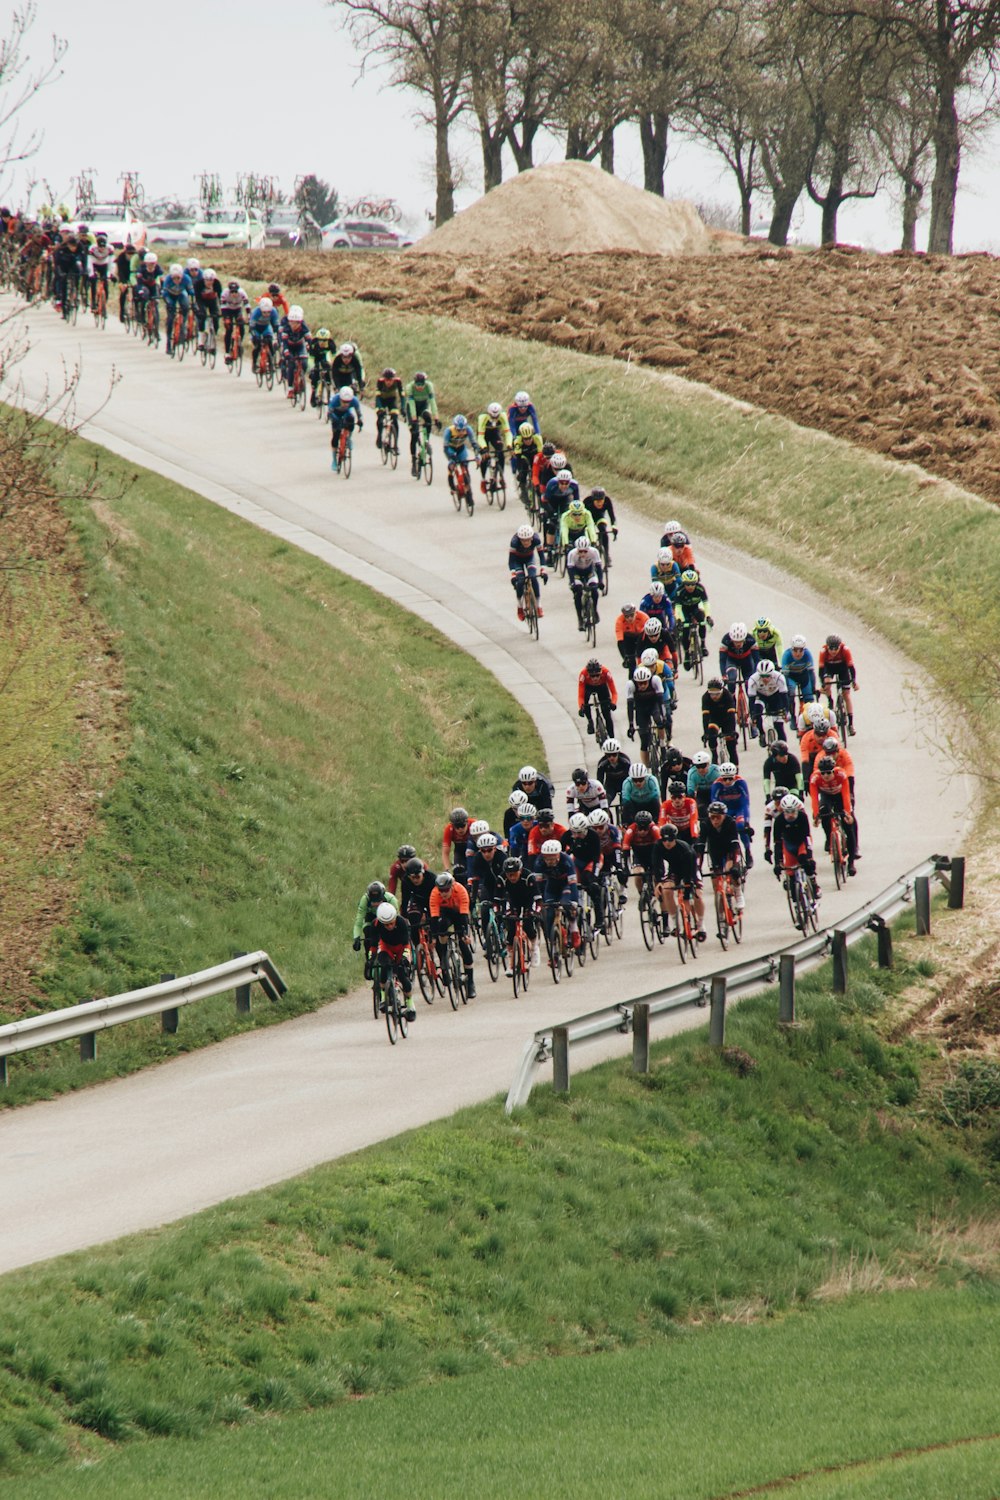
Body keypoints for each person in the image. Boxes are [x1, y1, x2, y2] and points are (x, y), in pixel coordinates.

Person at [809, 755, 860, 874]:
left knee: (849, 827)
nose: (826, 776)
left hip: (840, 796)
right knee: (824, 812)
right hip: (826, 797)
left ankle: (851, 862)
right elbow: (814, 798)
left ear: (834, 770)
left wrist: (847, 813)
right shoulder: (815, 778)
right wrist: (816, 815)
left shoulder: (841, 774)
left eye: (828, 772)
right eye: (823, 773)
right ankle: (829, 838)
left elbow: (847, 795)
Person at [429, 870, 476, 997]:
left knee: (464, 946)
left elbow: (464, 915)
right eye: (441, 890)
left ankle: (470, 982)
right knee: (441, 926)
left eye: (446, 890)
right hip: (445, 914)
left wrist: (465, 934)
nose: (443, 893)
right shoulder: (435, 893)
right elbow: (434, 917)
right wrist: (434, 937)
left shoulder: (460, 890)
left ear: (452, 886)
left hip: (459, 914)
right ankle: (444, 957)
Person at [659, 822, 707, 940]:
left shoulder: (685, 849)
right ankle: (676, 924)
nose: (667, 843)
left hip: (690, 869)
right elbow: (657, 864)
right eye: (664, 840)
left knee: (697, 896)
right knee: (666, 891)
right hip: (675, 871)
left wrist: (688, 886)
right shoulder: (658, 846)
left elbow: (691, 872)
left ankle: (701, 925)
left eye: (670, 840)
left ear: (675, 839)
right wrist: (659, 882)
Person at [373, 903, 417, 1021]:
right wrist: (372, 955)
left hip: (401, 947)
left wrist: (404, 959)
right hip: (386, 947)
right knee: (384, 966)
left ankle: (410, 1006)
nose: (389, 926)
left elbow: (407, 944)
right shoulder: (377, 923)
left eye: (391, 923)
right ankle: (383, 998)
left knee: (403, 975)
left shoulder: (402, 923)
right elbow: (374, 941)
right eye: (386, 924)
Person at [536, 837, 581, 950]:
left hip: (566, 885)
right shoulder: (539, 862)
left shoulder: (567, 861)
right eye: (547, 858)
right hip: (551, 887)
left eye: (553, 858)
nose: (550, 861)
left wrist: (574, 902)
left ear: (558, 855)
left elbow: (573, 884)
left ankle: (574, 929)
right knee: (549, 915)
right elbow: (538, 885)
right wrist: (539, 900)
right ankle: (553, 946)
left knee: (566, 905)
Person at [773, 793, 821, 899]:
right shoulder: (779, 821)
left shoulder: (802, 817)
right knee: (790, 875)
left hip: (802, 842)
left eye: (793, 811)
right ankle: (796, 904)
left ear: (797, 809)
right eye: (787, 812)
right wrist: (777, 863)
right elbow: (777, 843)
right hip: (789, 844)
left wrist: (810, 857)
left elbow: (807, 838)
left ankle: (814, 884)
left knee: (805, 861)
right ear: (783, 811)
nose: (790, 815)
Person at [564, 811, 605, 928]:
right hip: (578, 861)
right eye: (574, 832)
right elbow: (561, 855)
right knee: (574, 883)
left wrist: (594, 879)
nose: (576, 835)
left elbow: (597, 859)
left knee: (591, 884)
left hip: (593, 861)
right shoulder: (567, 836)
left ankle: (600, 918)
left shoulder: (593, 836)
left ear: (586, 829)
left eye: (580, 833)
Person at [703, 802, 745, 913]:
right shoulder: (705, 824)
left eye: (718, 817)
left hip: (729, 849)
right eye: (712, 817)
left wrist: (735, 865)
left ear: (724, 816)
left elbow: (735, 845)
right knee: (716, 877)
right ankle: (722, 914)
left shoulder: (730, 822)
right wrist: (697, 867)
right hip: (715, 851)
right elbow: (699, 845)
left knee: (730, 870)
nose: (715, 821)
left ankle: (738, 893)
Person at [623, 809, 668, 914]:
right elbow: (625, 851)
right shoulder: (631, 830)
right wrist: (625, 867)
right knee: (638, 874)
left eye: (645, 828)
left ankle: (665, 922)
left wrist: (659, 870)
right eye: (640, 828)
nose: (642, 831)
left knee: (661, 890)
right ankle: (642, 895)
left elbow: (662, 851)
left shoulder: (655, 830)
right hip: (639, 856)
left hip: (654, 856)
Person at [352, 879, 398, 977]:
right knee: (368, 935)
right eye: (373, 901)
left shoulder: (391, 899)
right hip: (370, 918)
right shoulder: (364, 900)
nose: (376, 904)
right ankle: (369, 960)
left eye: (379, 901)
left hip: (387, 917)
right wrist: (356, 938)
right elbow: (359, 921)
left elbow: (396, 919)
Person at [712, 762, 754, 868]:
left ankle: (748, 851)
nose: (727, 781)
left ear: (734, 776)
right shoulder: (716, 785)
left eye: (730, 778)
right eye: (724, 779)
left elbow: (745, 803)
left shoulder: (741, 782)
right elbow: (714, 804)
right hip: (725, 811)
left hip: (739, 809)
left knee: (740, 826)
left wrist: (747, 822)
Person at [501, 856, 539, 970]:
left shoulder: (529, 877)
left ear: (520, 871)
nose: (511, 877)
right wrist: (500, 913)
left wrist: (535, 912)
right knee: (511, 928)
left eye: (514, 873)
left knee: (528, 925)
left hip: (528, 900)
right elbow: (498, 898)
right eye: (509, 874)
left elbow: (538, 898)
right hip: (513, 901)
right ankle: (511, 961)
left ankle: (534, 949)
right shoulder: (502, 878)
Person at [818, 634, 859, 735]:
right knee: (827, 683)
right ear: (827, 647)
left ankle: (851, 724)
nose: (833, 651)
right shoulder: (823, 652)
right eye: (831, 648)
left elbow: (851, 668)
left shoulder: (845, 650)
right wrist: (823, 684)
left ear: (840, 646)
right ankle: (830, 700)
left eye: (836, 648)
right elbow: (821, 670)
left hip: (842, 668)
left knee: (846, 695)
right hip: (829, 668)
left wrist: (853, 681)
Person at [627, 665, 667, 766]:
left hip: (654, 705)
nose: (642, 686)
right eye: (640, 684)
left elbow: (661, 701)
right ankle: (646, 767)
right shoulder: (631, 685)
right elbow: (630, 706)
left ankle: (662, 745)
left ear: (649, 680)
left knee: (659, 721)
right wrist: (631, 724)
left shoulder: (655, 680)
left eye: (645, 683)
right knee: (644, 741)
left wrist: (664, 717)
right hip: (641, 709)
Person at [589, 808, 627, 906]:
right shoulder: (589, 833)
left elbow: (617, 849)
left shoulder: (613, 830)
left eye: (601, 827)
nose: (598, 831)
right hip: (599, 856)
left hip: (612, 852)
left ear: (606, 824)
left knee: (621, 871)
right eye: (595, 828)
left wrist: (618, 867)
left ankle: (623, 892)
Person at [675, 570, 712, 667]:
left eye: (692, 584)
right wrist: (679, 620)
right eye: (687, 584)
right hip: (684, 610)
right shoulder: (679, 591)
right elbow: (678, 608)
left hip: (695, 608)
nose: (690, 587)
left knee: (702, 619)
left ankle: (703, 645)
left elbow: (706, 603)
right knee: (685, 631)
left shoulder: (700, 589)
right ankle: (687, 654)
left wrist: (708, 617)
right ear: (684, 583)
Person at [747, 659, 790, 744]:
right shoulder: (752, 680)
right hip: (761, 696)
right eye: (762, 676)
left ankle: (784, 749)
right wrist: (753, 716)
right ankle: (762, 733)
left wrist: (786, 711)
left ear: (772, 673)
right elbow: (751, 700)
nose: (765, 679)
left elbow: (784, 697)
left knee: (779, 726)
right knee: (757, 712)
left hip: (775, 696)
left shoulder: (779, 677)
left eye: (768, 676)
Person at [509, 523, 546, 620]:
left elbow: (541, 556)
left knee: (533, 577)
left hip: (529, 558)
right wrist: (513, 574)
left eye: (528, 540)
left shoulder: (537, 539)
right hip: (517, 561)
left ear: (532, 538)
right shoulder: (514, 542)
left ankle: (538, 605)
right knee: (520, 581)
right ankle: (520, 607)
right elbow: (511, 560)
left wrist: (543, 570)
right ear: (519, 539)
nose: (525, 542)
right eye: (523, 540)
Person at [406, 371, 440, 472]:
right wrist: (414, 419)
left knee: (428, 418)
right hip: (412, 407)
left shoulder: (429, 386)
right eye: (418, 384)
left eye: (422, 385)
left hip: (423, 405)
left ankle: (426, 441)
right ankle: (413, 460)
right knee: (414, 434)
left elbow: (432, 402)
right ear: (414, 382)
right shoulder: (410, 387)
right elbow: (411, 404)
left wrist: (436, 418)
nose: (420, 387)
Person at [702, 676, 739, 767]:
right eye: (712, 694)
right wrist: (706, 733)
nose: (714, 697)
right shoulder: (705, 697)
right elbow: (705, 717)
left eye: (717, 694)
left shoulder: (727, 696)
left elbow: (731, 716)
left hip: (727, 719)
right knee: (711, 733)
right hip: (714, 719)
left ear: (722, 691)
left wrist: (732, 732)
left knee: (731, 746)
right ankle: (714, 755)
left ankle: (736, 768)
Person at [565, 538, 602, 628]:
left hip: (589, 571)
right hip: (576, 573)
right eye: (580, 551)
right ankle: (580, 618)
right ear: (577, 549)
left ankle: (595, 610)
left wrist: (600, 581)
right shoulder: (572, 554)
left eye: (585, 551)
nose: (582, 554)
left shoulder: (594, 552)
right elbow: (570, 570)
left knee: (594, 591)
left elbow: (599, 567)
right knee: (578, 593)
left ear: (588, 549)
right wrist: (572, 583)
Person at [443, 414, 478, 508]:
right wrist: (451, 459)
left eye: (463, 430)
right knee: (452, 466)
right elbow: (445, 448)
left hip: (461, 449)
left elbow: (474, 444)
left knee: (465, 468)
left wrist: (477, 456)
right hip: (451, 449)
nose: (462, 432)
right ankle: (452, 487)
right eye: (459, 430)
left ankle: (468, 493)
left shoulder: (469, 429)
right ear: (455, 427)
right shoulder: (449, 431)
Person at [578, 659, 618, 740]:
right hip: (588, 687)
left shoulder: (606, 673)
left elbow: (614, 692)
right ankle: (590, 721)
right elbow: (580, 696)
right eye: (592, 676)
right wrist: (581, 707)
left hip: (602, 687)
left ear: (601, 673)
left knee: (607, 714)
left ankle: (612, 738)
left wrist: (613, 703)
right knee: (585, 704)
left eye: (597, 675)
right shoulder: (583, 675)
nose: (595, 678)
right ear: (588, 674)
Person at [477, 401, 512, 489]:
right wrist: (484, 448)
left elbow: (508, 433)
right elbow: (480, 437)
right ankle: (483, 479)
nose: (495, 418)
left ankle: (501, 477)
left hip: (494, 434)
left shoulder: (503, 416)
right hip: (483, 435)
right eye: (493, 416)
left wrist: (509, 445)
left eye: (497, 416)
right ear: (489, 413)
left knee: (500, 452)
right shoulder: (482, 418)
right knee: (485, 457)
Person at [161, 263, 194, 354]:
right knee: (171, 318)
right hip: (170, 295)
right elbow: (164, 294)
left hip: (180, 294)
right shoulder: (167, 279)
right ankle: (168, 344)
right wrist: (168, 303)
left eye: (178, 278)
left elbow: (191, 292)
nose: (176, 280)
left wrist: (193, 302)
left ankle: (182, 325)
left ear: (182, 276)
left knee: (186, 305)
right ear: (171, 277)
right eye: (174, 278)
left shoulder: (187, 279)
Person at [780, 635, 818, 714]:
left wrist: (813, 688)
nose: (798, 653)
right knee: (791, 694)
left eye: (801, 650)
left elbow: (811, 673)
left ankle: (809, 717)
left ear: (804, 649)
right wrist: (786, 690)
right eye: (795, 650)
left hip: (803, 676)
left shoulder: (808, 654)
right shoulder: (786, 655)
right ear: (791, 649)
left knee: (809, 698)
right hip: (791, 677)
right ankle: (792, 716)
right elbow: (785, 676)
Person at [328, 386, 363, 470]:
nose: (346, 404)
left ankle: (349, 438)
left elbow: (358, 413)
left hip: (346, 413)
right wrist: (335, 420)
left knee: (351, 419)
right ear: (340, 398)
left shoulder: (354, 400)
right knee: (335, 437)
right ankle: (334, 461)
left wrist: (360, 420)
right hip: (335, 414)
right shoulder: (334, 400)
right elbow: (329, 414)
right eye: (344, 402)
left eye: (348, 402)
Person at [279, 304, 310, 393]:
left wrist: (309, 347)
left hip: (300, 345)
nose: (292, 325)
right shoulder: (286, 328)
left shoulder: (304, 327)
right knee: (291, 365)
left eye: (295, 323)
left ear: (300, 322)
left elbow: (309, 339)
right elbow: (284, 343)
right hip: (289, 346)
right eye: (291, 322)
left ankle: (301, 378)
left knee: (304, 363)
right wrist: (286, 353)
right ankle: (290, 388)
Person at [620, 760, 662, 827]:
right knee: (626, 805)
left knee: (655, 802)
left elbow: (656, 798)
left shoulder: (651, 781)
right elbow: (625, 802)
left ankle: (656, 824)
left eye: (640, 779)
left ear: (645, 777)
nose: (638, 783)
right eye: (635, 780)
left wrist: (656, 820)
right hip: (635, 805)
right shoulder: (627, 783)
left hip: (649, 804)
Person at [597, 738, 630, 814]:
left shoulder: (625, 762)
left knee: (626, 803)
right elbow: (599, 781)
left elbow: (630, 779)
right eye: (608, 755)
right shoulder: (602, 764)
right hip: (610, 785)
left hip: (624, 783)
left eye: (614, 755)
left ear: (618, 753)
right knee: (605, 802)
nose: (611, 758)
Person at [615, 602, 650, 673]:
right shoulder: (619, 621)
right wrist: (625, 657)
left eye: (631, 615)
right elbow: (620, 642)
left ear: (635, 613)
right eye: (627, 616)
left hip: (641, 637)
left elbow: (649, 634)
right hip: (628, 639)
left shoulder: (643, 617)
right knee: (631, 665)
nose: (629, 618)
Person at [220, 280, 251, 360]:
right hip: (227, 310)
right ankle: (227, 352)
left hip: (237, 309)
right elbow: (222, 307)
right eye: (232, 292)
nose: (234, 294)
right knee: (229, 329)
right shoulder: (225, 293)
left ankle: (239, 344)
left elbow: (247, 305)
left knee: (241, 326)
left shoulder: (242, 293)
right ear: (229, 291)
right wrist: (226, 318)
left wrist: (249, 317)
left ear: (238, 291)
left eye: (235, 292)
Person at [375, 367, 405, 446]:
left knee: (395, 419)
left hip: (392, 400)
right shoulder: (380, 382)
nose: (388, 382)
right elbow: (377, 397)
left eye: (390, 380)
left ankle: (395, 444)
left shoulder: (398, 382)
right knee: (380, 418)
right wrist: (380, 408)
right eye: (386, 380)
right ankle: (379, 435)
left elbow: (402, 396)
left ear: (394, 379)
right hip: (381, 401)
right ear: (384, 379)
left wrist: (403, 408)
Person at [442, 807, 479, 871]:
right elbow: (445, 853)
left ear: (467, 822)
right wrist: (447, 870)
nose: (460, 829)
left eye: (462, 825)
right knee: (458, 872)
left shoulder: (474, 825)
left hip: (475, 849)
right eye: (457, 826)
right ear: (452, 825)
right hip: (460, 852)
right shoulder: (449, 829)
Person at [511, 421, 543, 495]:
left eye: (529, 438)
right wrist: (520, 471)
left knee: (539, 469)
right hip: (523, 455)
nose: (528, 441)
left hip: (534, 454)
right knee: (523, 467)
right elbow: (518, 458)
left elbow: (540, 455)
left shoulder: (538, 438)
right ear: (522, 437)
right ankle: (523, 489)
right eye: (525, 439)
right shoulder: (517, 441)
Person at [249, 295, 280, 371]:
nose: (266, 314)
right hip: (256, 328)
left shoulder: (274, 311)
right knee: (257, 346)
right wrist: (254, 336)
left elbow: (276, 326)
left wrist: (276, 335)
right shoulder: (256, 312)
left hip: (266, 327)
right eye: (264, 312)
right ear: (260, 310)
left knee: (270, 343)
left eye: (268, 312)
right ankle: (254, 363)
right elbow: (251, 327)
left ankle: (271, 362)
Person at [686, 749, 721, 817]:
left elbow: (721, 786)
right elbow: (690, 791)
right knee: (701, 810)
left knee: (718, 809)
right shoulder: (692, 773)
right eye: (698, 766)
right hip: (701, 793)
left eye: (703, 766)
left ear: (708, 764)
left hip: (715, 792)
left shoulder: (716, 771)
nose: (701, 769)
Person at [307, 326, 336, 402]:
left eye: (324, 340)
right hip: (315, 358)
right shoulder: (313, 344)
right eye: (320, 340)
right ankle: (314, 390)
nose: (322, 342)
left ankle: (328, 385)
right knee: (314, 374)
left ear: (328, 340)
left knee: (327, 368)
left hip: (325, 358)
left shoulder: (331, 344)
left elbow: (334, 357)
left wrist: (333, 366)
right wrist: (312, 367)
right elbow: (310, 358)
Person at [86, 231, 113, 310]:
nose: (101, 249)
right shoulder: (92, 248)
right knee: (93, 282)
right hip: (94, 264)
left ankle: (104, 305)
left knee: (105, 285)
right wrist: (91, 274)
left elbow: (111, 262)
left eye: (103, 247)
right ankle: (93, 302)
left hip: (104, 265)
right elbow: (89, 262)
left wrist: (109, 274)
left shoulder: (110, 248)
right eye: (100, 247)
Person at [113, 241, 135, 322]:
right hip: (123, 274)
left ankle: (135, 311)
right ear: (125, 253)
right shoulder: (121, 258)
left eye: (132, 253)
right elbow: (120, 272)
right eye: (129, 253)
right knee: (123, 291)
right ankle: (122, 311)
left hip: (132, 274)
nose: (130, 255)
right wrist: (123, 282)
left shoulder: (135, 258)